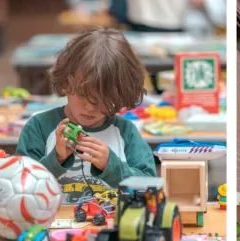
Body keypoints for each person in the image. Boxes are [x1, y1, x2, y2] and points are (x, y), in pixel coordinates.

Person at [15, 28, 155, 189]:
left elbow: (149, 184)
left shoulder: (125, 132)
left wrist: (112, 166)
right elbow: (20, 185)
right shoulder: (39, 127)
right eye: (82, 95)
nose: (89, 107)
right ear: (67, 82)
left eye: (102, 100)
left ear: (120, 95)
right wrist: (57, 158)